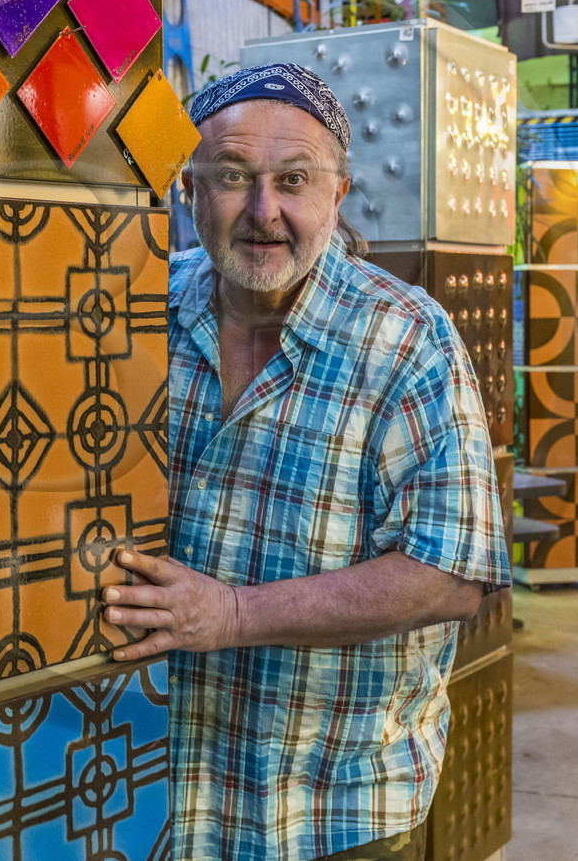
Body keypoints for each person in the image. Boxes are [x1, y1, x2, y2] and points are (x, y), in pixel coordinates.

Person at [103, 63, 510, 860]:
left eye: (294, 179)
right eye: (232, 177)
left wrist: (232, 615)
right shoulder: (134, 310)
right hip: (156, 795)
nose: (264, 211)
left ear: (338, 192)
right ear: (190, 190)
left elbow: (452, 575)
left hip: (330, 810)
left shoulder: (406, 340)